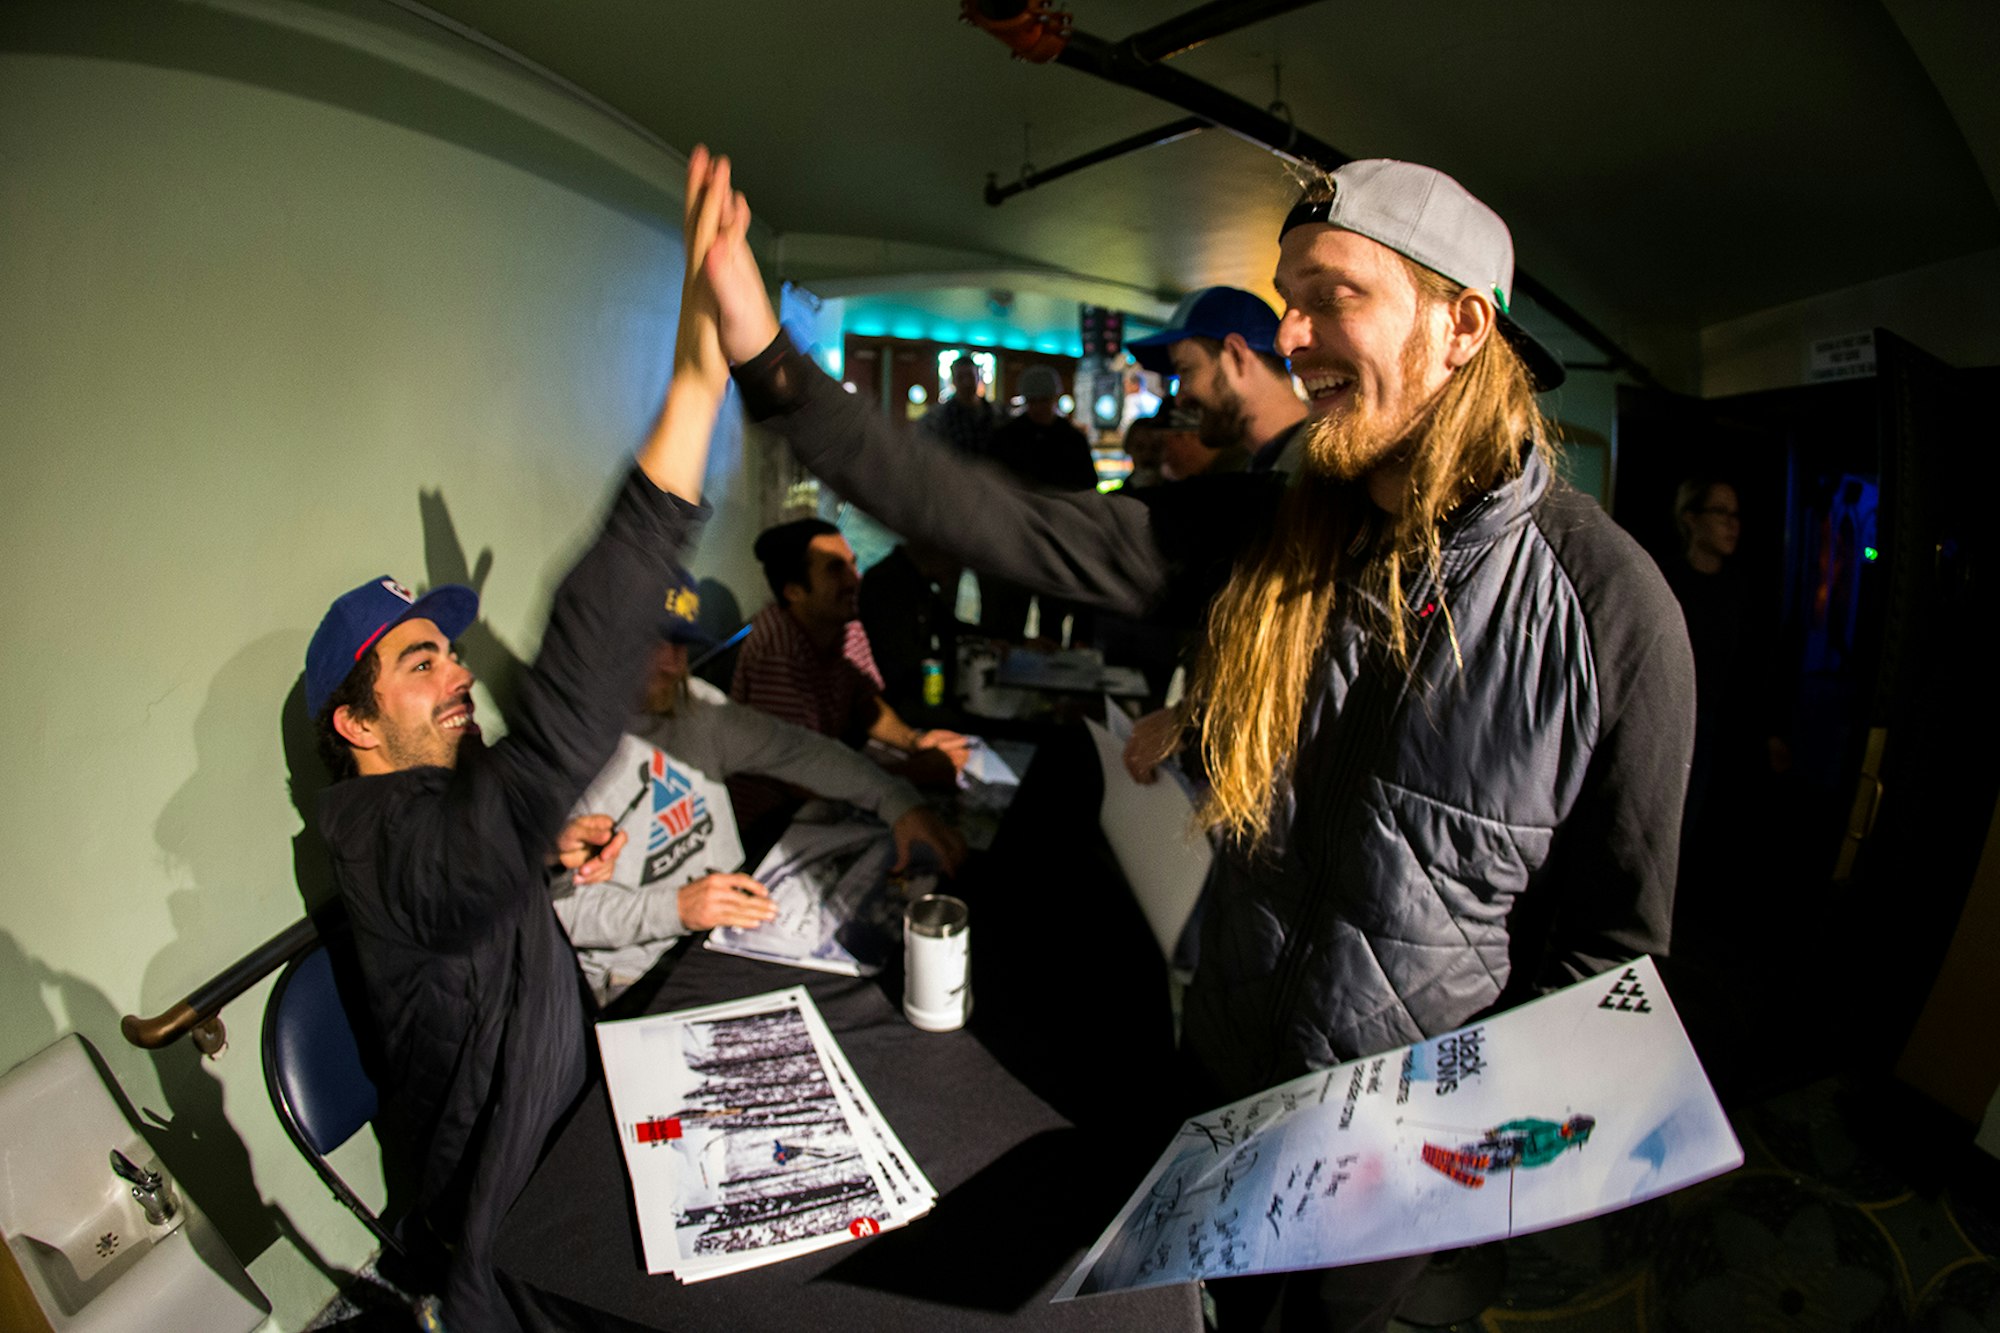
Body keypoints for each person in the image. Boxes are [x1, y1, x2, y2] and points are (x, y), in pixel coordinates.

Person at [693, 151, 1694, 1331]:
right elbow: (1009, 523)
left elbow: (1608, 960)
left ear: (1460, 326)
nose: (1290, 334)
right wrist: (771, 367)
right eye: (1284, 299)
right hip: (1213, 1074)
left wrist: (1436, 1166)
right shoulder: (1274, 530)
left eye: (1330, 295)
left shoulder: (1607, 609)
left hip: (1390, 1167)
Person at [305, 149, 743, 1330]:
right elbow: (535, 753)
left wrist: (542, 858)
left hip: (581, 1111)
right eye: (420, 663)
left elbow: (473, 868)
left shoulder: (432, 814)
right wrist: (691, 391)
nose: (457, 673)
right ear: (353, 723)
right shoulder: (378, 840)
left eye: (449, 652)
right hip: (513, 1221)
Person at [555, 582, 964, 1005]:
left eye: (681, 645)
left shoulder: (694, 705)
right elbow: (562, 912)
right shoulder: (561, 753)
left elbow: (797, 751)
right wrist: (675, 907)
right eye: (655, 644)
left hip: (735, 926)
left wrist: (896, 801)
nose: (674, 664)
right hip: (639, 972)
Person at [731, 517, 968, 817]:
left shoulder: (845, 622)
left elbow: (865, 702)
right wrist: (917, 771)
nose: (855, 579)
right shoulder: (777, 648)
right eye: (835, 569)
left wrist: (915, 742)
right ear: (794, 591)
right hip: (776, 817)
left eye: (852, 564)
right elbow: (796, 778)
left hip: (827, 792)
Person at [1127, 285, 1308, 475]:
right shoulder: (1272, 467)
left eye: (1186, 371)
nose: (1179, 399)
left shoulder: (1319, 472)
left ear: (1236, 355)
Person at [857, 538, 968, 717]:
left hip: (906, 693)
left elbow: (948, 624)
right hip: (893, 697)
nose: (956, 571)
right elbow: (897, 654)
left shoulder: (917, 582)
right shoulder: (887, 582)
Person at [924, 354, 998, 458]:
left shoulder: (994, 412)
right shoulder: (941, 416)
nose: (966, 382)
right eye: (960, 377)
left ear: (978, 378)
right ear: (954, 381)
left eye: (970, 376)